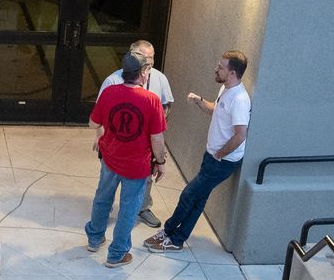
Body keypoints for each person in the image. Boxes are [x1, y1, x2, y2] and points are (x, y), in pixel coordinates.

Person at [145, 50, 252, 254]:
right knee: (198, 198)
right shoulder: (226, 89)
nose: (216, 68)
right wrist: (199, 101)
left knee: (189, 195)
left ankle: (169, 233)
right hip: (212, 155)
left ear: (232, 73)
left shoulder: (239, 99)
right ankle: (176, 238)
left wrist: (219, 154)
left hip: (222, 161)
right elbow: (216, 109)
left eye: (221, 66)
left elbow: (240, 135)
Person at [84, 51, 168, 267]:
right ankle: (117, 254)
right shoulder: (151, 100)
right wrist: (161, 162)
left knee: (102, 198)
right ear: (142, 73)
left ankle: (94, 239)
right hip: (136, 166)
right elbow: (157, 139)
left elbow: (93, 124)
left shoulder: (110, 92)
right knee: (128, 209)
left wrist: (108, 128)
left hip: (110, 158)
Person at [97, 41, 175, 228]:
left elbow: (167, 104)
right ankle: (103, 213)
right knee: (108, 184)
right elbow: (98, 115)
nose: (149, 63)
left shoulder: (160, 78)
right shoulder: (113, 81)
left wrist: (157, 122)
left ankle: (143, 207)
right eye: (144, 58)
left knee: (144, 182)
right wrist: (100, 139)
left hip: (143, 148)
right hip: (115, 146)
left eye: (151, 58)